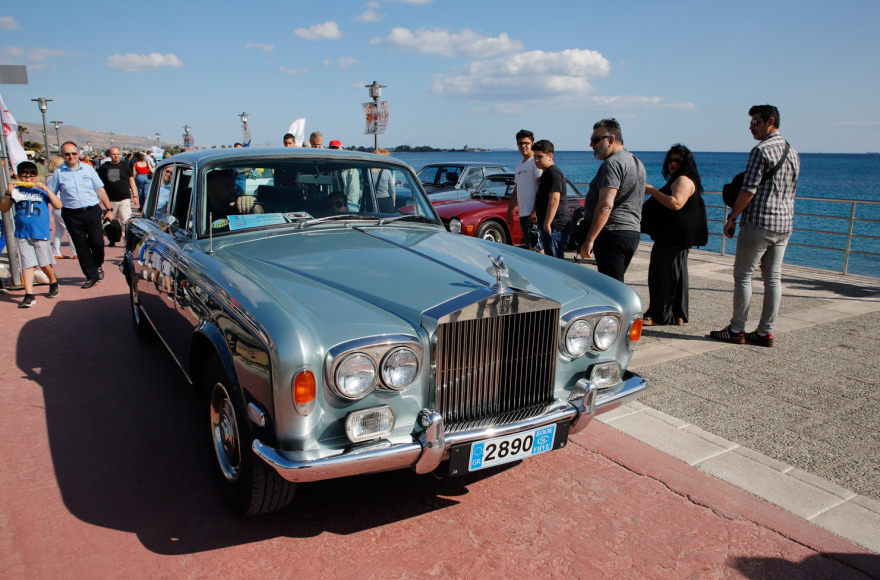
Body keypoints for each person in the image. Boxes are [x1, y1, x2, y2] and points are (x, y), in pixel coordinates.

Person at [710, 104, 800, 347]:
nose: (751, 127)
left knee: (743, 276)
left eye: (756, 122)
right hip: (784, 224)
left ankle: (737, 329)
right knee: (773, 278)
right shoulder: (792, 151)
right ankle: (765, 332)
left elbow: (749, 190)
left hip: (759, 223)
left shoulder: (760, 151)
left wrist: (732, 218)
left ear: (771, 121)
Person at [642, 144, 708, 326]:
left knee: (660, 274)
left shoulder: (683, 180)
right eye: (670, 159)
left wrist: (653, 191)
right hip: (678, 236)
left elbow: (676, 203)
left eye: (677, 160)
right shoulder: (684, 179)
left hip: (672, 236)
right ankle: (677, 314)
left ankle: (658, 315)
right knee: (676, 275)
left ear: (685, 162)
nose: (672, 163)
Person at [577, 118, 646, 283]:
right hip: (630, 232)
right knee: (615, 284)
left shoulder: (613, 164)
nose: (591, 145)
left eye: (595, 140)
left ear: (611, 139)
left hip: (612, 233)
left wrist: (590, 240)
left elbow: (606, 204)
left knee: (611, 289)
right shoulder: (636, 162)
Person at [1, 161, 63, 307]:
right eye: (24, 177)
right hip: (22, 233)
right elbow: (4, 208)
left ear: (36, 176)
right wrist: (8, 192)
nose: (27, 180)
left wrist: (47, 190)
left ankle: (53, 281)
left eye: (30, 177)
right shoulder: (16, 191)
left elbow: (58, 205)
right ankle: (29, 295)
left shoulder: (41, 190)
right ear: (18, 176)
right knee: (27, 264)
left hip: (40, 232)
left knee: (44, 263)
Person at [53, 141, 113, 288]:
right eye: (67, 154)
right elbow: (51, 193)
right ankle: (91, 276)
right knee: (81, 247)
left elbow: (100, 189)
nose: (71, 156)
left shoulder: (88, 169)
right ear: (62, 155)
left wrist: (109, 209)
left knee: (97, 243)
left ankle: (97, 265)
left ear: (78, 153)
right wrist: (49, 216)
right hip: (71, 214)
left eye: (73, 153)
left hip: (91, 210)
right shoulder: (58, 172)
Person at [531, 140, 570, 259]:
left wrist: (547, 223)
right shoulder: (546, 174)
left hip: (556, 226)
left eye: (540, 157)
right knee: (550, 260)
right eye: (535, 157)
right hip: (549, 225)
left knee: (556, 263)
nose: (536, 160)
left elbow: (554, 199)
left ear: (550, 156)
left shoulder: (554, 173)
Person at [506, 129, 543, 252]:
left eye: (526, 143)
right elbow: (516, 190)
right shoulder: (519, 165)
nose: (523, 146)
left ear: (532, 143)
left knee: (538, 247)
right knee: (529, 247)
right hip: (523, 213)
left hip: (533, 214)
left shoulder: (535, 161)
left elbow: (540, 187)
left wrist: (535, 211)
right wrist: (509, 211)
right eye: (520, 143)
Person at [97, 147, 137, 246]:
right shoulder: (105, 167)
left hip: (124, 198)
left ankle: (127, 241)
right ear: (110, 155)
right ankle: (112, 240)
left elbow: (131, 180)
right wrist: (98, 198)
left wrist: (135, 195)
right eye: (114, 154)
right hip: (110, 200)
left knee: (125, 220)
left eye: (118, 154)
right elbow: (99, 184)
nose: (116, 156)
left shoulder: (125, 165)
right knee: (112, 223)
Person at [45, 155, 75, 259]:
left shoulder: (48, 176)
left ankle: (56, 251)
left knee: (59, 229)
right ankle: (76, 251)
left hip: (55, 206)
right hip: (60, 204)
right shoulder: (56, 176)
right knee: (70, 228)